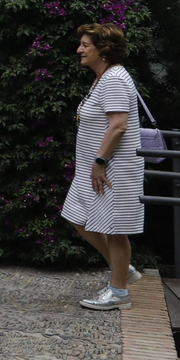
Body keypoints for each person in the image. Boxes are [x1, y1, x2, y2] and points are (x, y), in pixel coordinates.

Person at [61, 23, 146, 311]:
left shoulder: (114, 79)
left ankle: (119, 291)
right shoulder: (104, 77)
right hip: (95, 169)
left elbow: (119, 125)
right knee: (76, 215)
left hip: (112, 170)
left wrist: (100, 163)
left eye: (86, 45)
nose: (79, 49)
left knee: (114, 229)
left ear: (104, 50)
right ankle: (122, 270)